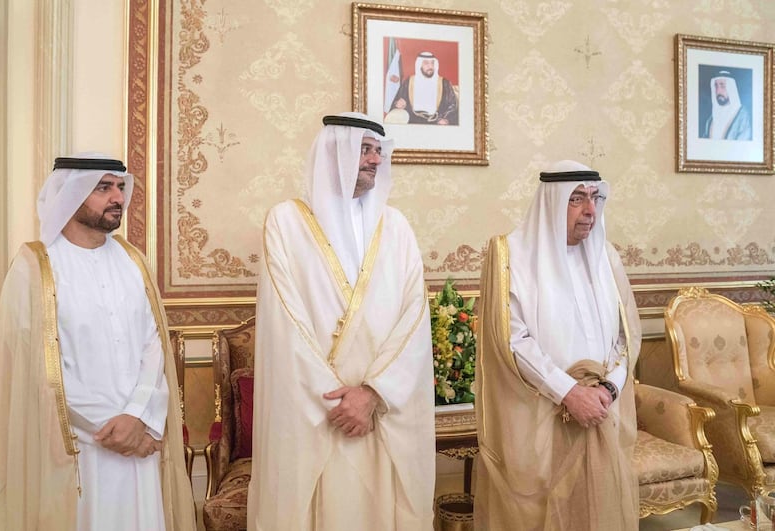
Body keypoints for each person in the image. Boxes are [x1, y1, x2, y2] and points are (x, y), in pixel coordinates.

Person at [0, 154, 196, 531]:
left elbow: (154, 348)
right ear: (71, 193)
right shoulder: (36, 267)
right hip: (76, 449)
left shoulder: (134, 262)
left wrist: (138, 418)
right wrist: (112, 428)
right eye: (103, 188)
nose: (118, 197)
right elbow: (38, 370)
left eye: (120, 186)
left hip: (139, 441)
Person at [248, 112, 435, 530]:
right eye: (365, 149)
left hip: (379, 413)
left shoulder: (397, 227)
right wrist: (340, 401)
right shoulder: (285, 221)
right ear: (334, 152)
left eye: (378, 152)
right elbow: (285, 325)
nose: (374, 160)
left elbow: (413, 318)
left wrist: (371, 394)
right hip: (318, 414)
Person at [474, 160, 641, 530]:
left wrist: (609, 389)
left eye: (595, 198)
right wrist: (568, 393)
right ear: (552, 201)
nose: (589, 211)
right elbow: (512, 341)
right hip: (538, 416)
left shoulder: (606, 257)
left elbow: (625, 335)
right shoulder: (511, 258)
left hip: (600, 411)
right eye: (577, 199)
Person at [389, 51, 459, 125]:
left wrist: (446, 119)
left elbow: (453, 105)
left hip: (437, 121)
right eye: (426, 63)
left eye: (432, 63)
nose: (430, 66)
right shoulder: (409, 82)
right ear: (419, 65)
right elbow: (397, 101)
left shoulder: (444, 83)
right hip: (413, 121)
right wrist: (398, 104)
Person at [701, 70, 752, 140]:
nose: (718, 91)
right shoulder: (711, 119)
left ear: (731, 88)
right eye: (716, 86)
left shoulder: (743, 116)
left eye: (722, 86)